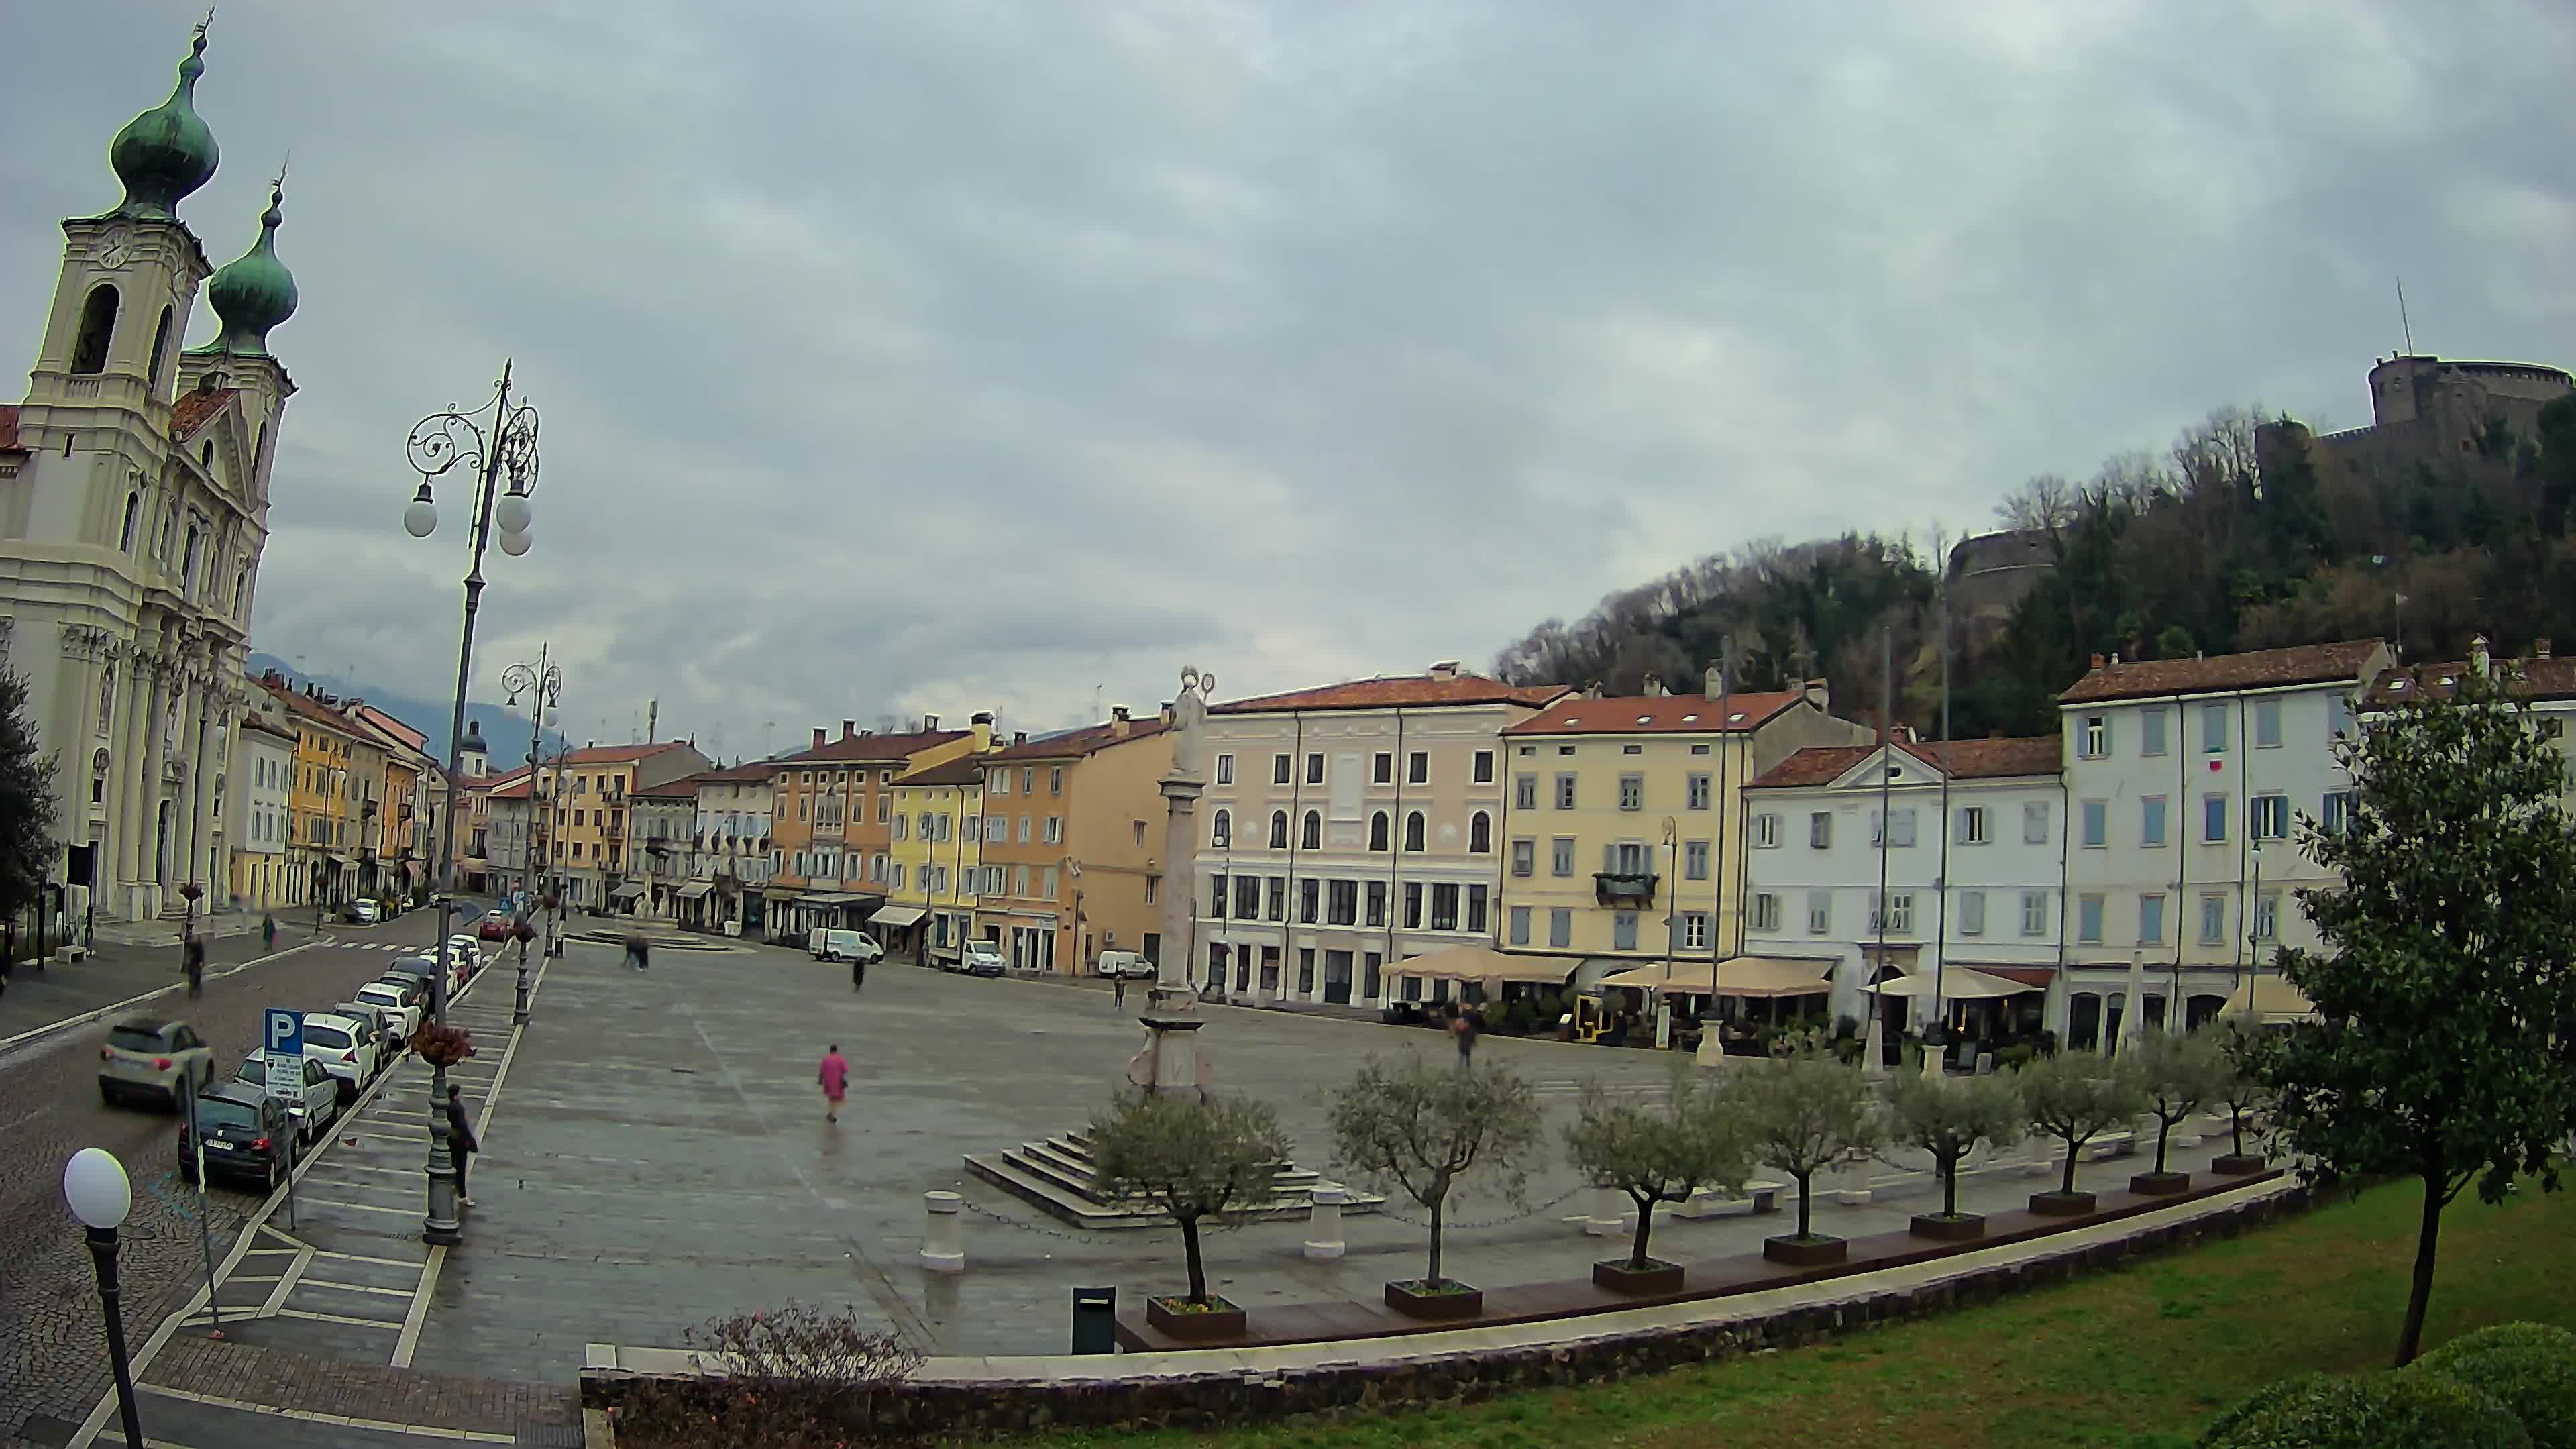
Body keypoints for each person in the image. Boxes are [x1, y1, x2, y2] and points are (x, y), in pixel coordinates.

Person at [445, 1083, 479, 1207]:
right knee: (461, 1168)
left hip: (452, 1140)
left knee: (454, 1164)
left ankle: (454, 1187)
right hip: (460, 1142)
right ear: (456, 1095)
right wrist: (470, 1141)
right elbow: (462, 1126)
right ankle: (462, 1195)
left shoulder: (448, 1106)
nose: (461, 1095)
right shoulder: (458, 1108)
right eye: (460, 1093)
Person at [817, 1043, 849, 1124]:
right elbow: (846, 1070)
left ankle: (831, 1113)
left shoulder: (826, 1059)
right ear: (837, 1050)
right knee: (837, 1099)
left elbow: (822, 1071)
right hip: (838, 1081)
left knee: (831, 1098)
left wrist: (820, 1080)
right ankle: (834, 1116)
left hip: (828, 1081)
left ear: (831, 1050)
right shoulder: (841, 1059)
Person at [182, 930, 205, 998]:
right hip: (192, 962)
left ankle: (196, 989)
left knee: (197, 976)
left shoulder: (199, 945)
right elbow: (188, 953)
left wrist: (201, 962)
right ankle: (192, 989)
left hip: (197, 962)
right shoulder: (191, 944)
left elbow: (201, 954)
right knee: (192, 975)